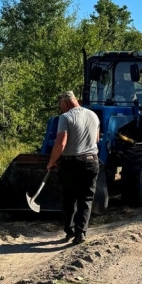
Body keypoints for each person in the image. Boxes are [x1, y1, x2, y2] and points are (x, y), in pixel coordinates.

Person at [47, 91, 101, 244]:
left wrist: (52, 161)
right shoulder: (93, 115)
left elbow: (61, 143)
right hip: (92, 162)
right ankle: (81, 233)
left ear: (65, 103)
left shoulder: (66, 117)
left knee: (69, 198)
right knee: (86, 198)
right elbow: (96, 139)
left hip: (71, 163)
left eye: (60, 106)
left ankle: (70, 230)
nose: (61, 109)